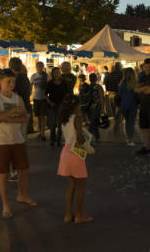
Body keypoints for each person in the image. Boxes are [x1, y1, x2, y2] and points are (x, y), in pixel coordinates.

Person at [0, 69, 36, 218]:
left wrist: (7, 118)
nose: (11, 84)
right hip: (1, 141)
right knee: (4, 173)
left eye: (13, 81)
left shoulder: (18, 98)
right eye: (8, 81)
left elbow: (24, 118)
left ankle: (22, 195)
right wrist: (13, 111)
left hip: (17, 138)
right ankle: (6, 205)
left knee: (24, 169)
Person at [57, 94, 94, 224]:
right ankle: (79, 215)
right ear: (75, 106)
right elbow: (79, 138)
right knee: (81, 187)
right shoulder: (77, 118)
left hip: (66, 152)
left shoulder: (64, 119)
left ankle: (68, 215)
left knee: (71, 185)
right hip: (75, 153)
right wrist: (88, 147)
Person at [10, 57, 32, 135]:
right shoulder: (26, 79)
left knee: (17, 137)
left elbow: (14, 95)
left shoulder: (16, 79)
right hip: (26, 108)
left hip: (19, 111)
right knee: (23, 137)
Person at [47, 67, 67, 147]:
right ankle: (52, 139)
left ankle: (58, 139)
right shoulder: (50, 83)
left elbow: (66, 93)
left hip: (61, 104)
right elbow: (45, 94)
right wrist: (50, 102)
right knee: (53, 123)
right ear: (53, 74)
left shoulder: (63, 82)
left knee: (60, 123)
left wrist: (64, 102)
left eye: (58, 72)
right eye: (55, 73)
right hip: (53, 104)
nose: (57, 74)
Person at [118, 68, 139, 147]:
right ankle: (129, 139)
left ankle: (128, 138)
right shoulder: (135, 83)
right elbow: (137, 95)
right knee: (131, 123)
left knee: (127, 122)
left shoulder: (122, 83)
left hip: (124, 106)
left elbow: (119, 95)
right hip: (132, 106)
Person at [31, 61, 49, 141]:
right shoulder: (33, 76)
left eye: (41, 66)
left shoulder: (46, 76)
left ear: (43, 67)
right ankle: (40, 132)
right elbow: (30, 86)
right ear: (36, 67)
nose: (39, 68)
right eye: (38, 66)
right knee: (38, 116)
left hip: (44, 98)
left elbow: (49, 86)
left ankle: (43, 134)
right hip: (36, 98)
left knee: (43, 116)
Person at [104, 62, 123, 129]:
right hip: (118, 94)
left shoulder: (109, 75)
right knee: (119, 109)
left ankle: (116, 121)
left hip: (110, 94)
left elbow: (105, 83)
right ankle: (118, 124)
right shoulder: (121, 75)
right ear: (120, 67)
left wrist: (108, 89)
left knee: (114, 110)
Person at [86, 73, 104, 143]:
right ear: (96, 79)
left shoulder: (87, 87)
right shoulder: (98, 87)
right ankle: (88, 140)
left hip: (88, 107)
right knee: (93, 123)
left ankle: (96, 137)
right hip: (96, 107)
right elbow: (102, 98)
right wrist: (102, 108)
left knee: (93, 122)